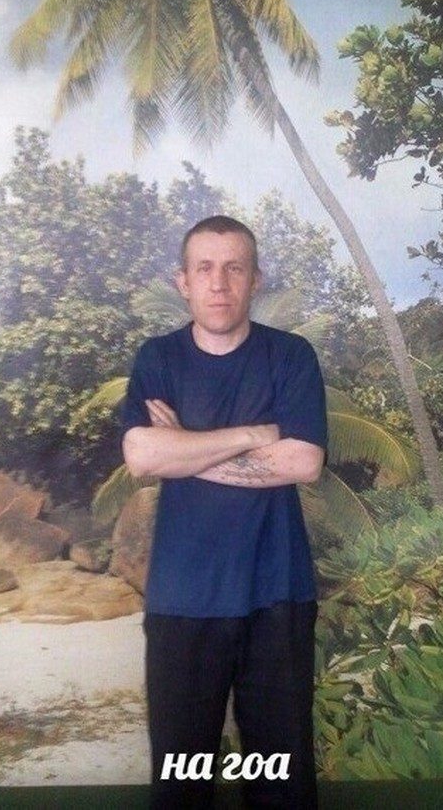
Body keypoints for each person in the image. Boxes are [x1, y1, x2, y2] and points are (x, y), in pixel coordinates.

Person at [121, 215, 327, 808]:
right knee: (181, 783)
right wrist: (253, 434)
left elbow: (303, 462)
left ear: (254, 279)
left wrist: (184, 448)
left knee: (281, 785)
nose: (219, 282)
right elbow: (143, 455)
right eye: (204, 268)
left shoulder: (290, 355)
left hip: (277, 597)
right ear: (183, 282)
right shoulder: (158, 358)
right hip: (182, 602)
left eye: (234, 268)